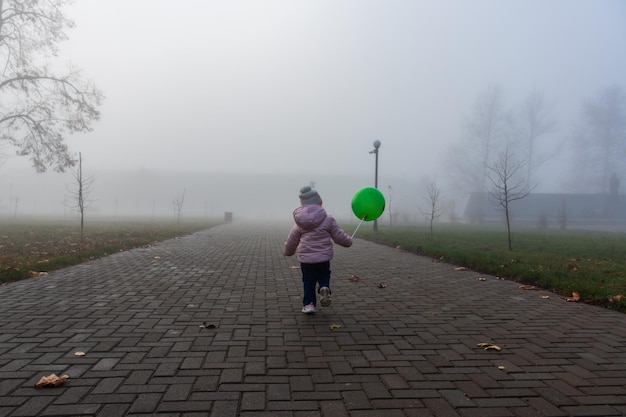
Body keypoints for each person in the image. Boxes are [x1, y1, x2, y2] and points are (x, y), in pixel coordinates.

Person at [284, 186, 353, 314]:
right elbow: (339, 236)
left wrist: (288, 252)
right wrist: (348, 241)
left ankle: (309, 305)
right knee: (324, 274)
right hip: (323, 257)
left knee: (308, 281)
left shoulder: (299, 223)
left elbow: (292, 240)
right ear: (319, 201)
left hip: (306, 260)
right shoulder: (328, 219)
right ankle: (324, 287)